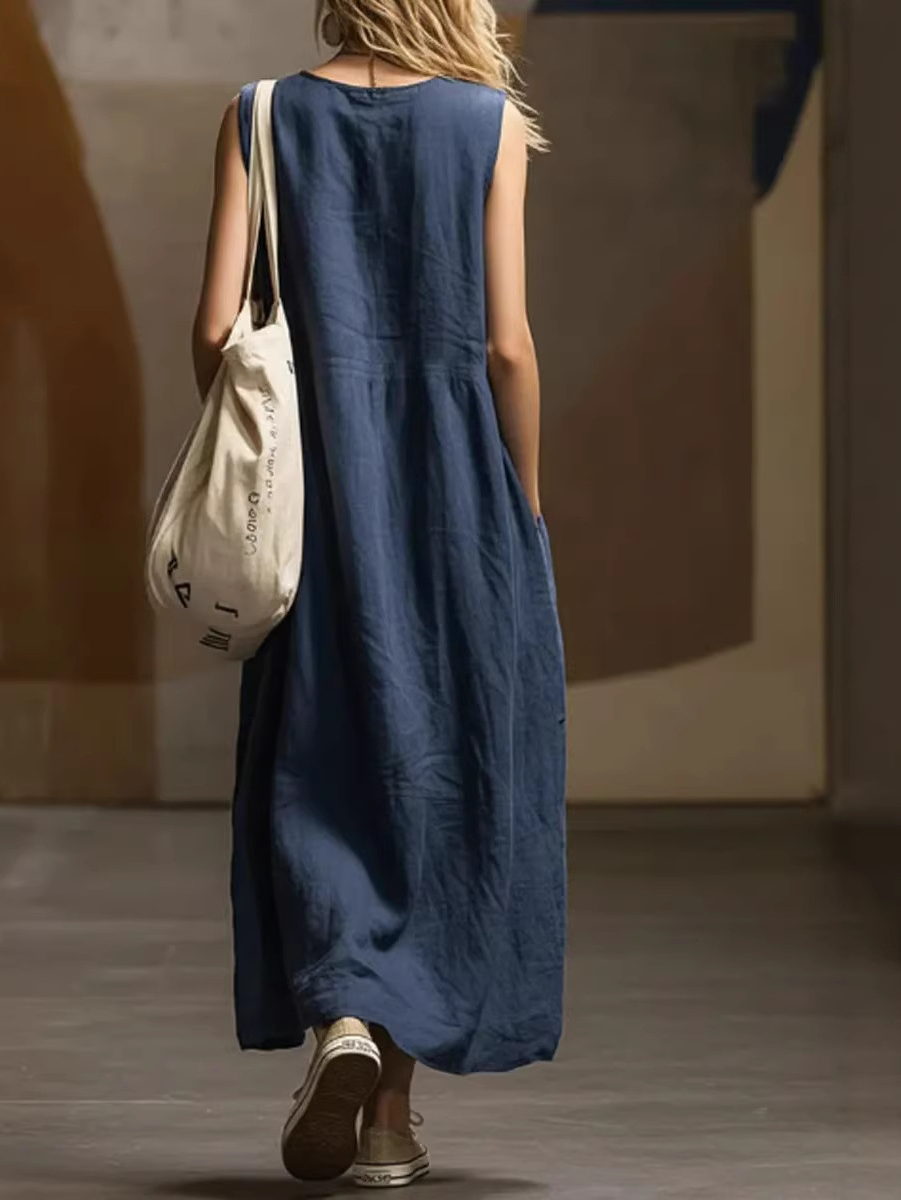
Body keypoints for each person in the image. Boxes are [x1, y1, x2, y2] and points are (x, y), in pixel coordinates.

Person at [192, 0, 567, 1187]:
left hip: (316, 497)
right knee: (436, 781)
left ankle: (341, 1016)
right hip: (457, 500)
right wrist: (526, 506)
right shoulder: (487, 126)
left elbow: (215, 329)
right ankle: (393, 1124)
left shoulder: (259, 116)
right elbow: (507, 345)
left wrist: (275, 442)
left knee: (319, 763)